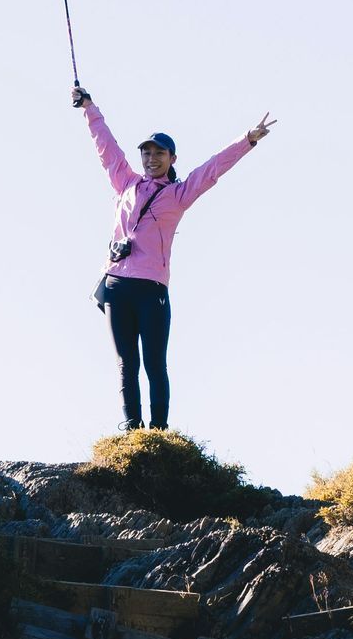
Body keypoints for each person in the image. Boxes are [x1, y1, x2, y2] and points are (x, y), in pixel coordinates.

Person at [71, 85, 274, 431]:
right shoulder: (125, 183)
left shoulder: (178, 194)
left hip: (151, 289)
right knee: (126, 363)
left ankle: (159, 432)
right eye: (146, 154)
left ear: (172, 159)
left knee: (154, 363)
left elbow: (211, 170)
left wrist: (248, 140)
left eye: (159, 154)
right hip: (117, 284)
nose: (151, 160)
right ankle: (132, 430)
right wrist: (89, 107)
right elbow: (106, 147)